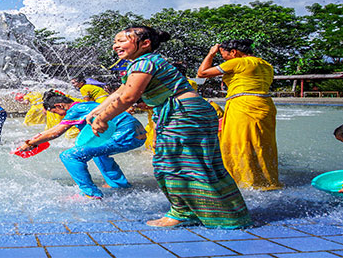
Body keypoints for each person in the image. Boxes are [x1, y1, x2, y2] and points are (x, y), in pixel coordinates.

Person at [88, 26, 251, 229]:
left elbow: (129, 97)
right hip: (190, 112)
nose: (116, 45)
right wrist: (95, 112)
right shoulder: (144, 63)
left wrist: (103, 118)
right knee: (198, 165)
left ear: (145, 43)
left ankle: (183, 212)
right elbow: (122, 91)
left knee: (170, 164)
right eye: (115, 41)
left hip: (183, 114)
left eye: (122, 41)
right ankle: (223, 213)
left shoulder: (145, 62)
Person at [17, 90, 146, 199]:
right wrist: (35, 139)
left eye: (55, 112)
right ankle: (118, 184)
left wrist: (30, 143)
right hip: (137, 134)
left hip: (125, 135)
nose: (58, 115)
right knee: (98, 153)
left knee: (69, 156)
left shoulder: (75, 111)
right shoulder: (87, 105)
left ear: (60, 105)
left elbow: (55, 133)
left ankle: (90, 194)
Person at [196, 39, 282, 191]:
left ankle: (244, 182)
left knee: (240, 143)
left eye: (223, 55)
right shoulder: (265, 64)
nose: (223, 59)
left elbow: (202, 73)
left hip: (243, 106)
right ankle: (268, 180)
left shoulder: (238, 62)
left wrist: (210, 53)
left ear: (234, 52)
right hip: (265, 106)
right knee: (261, 144)